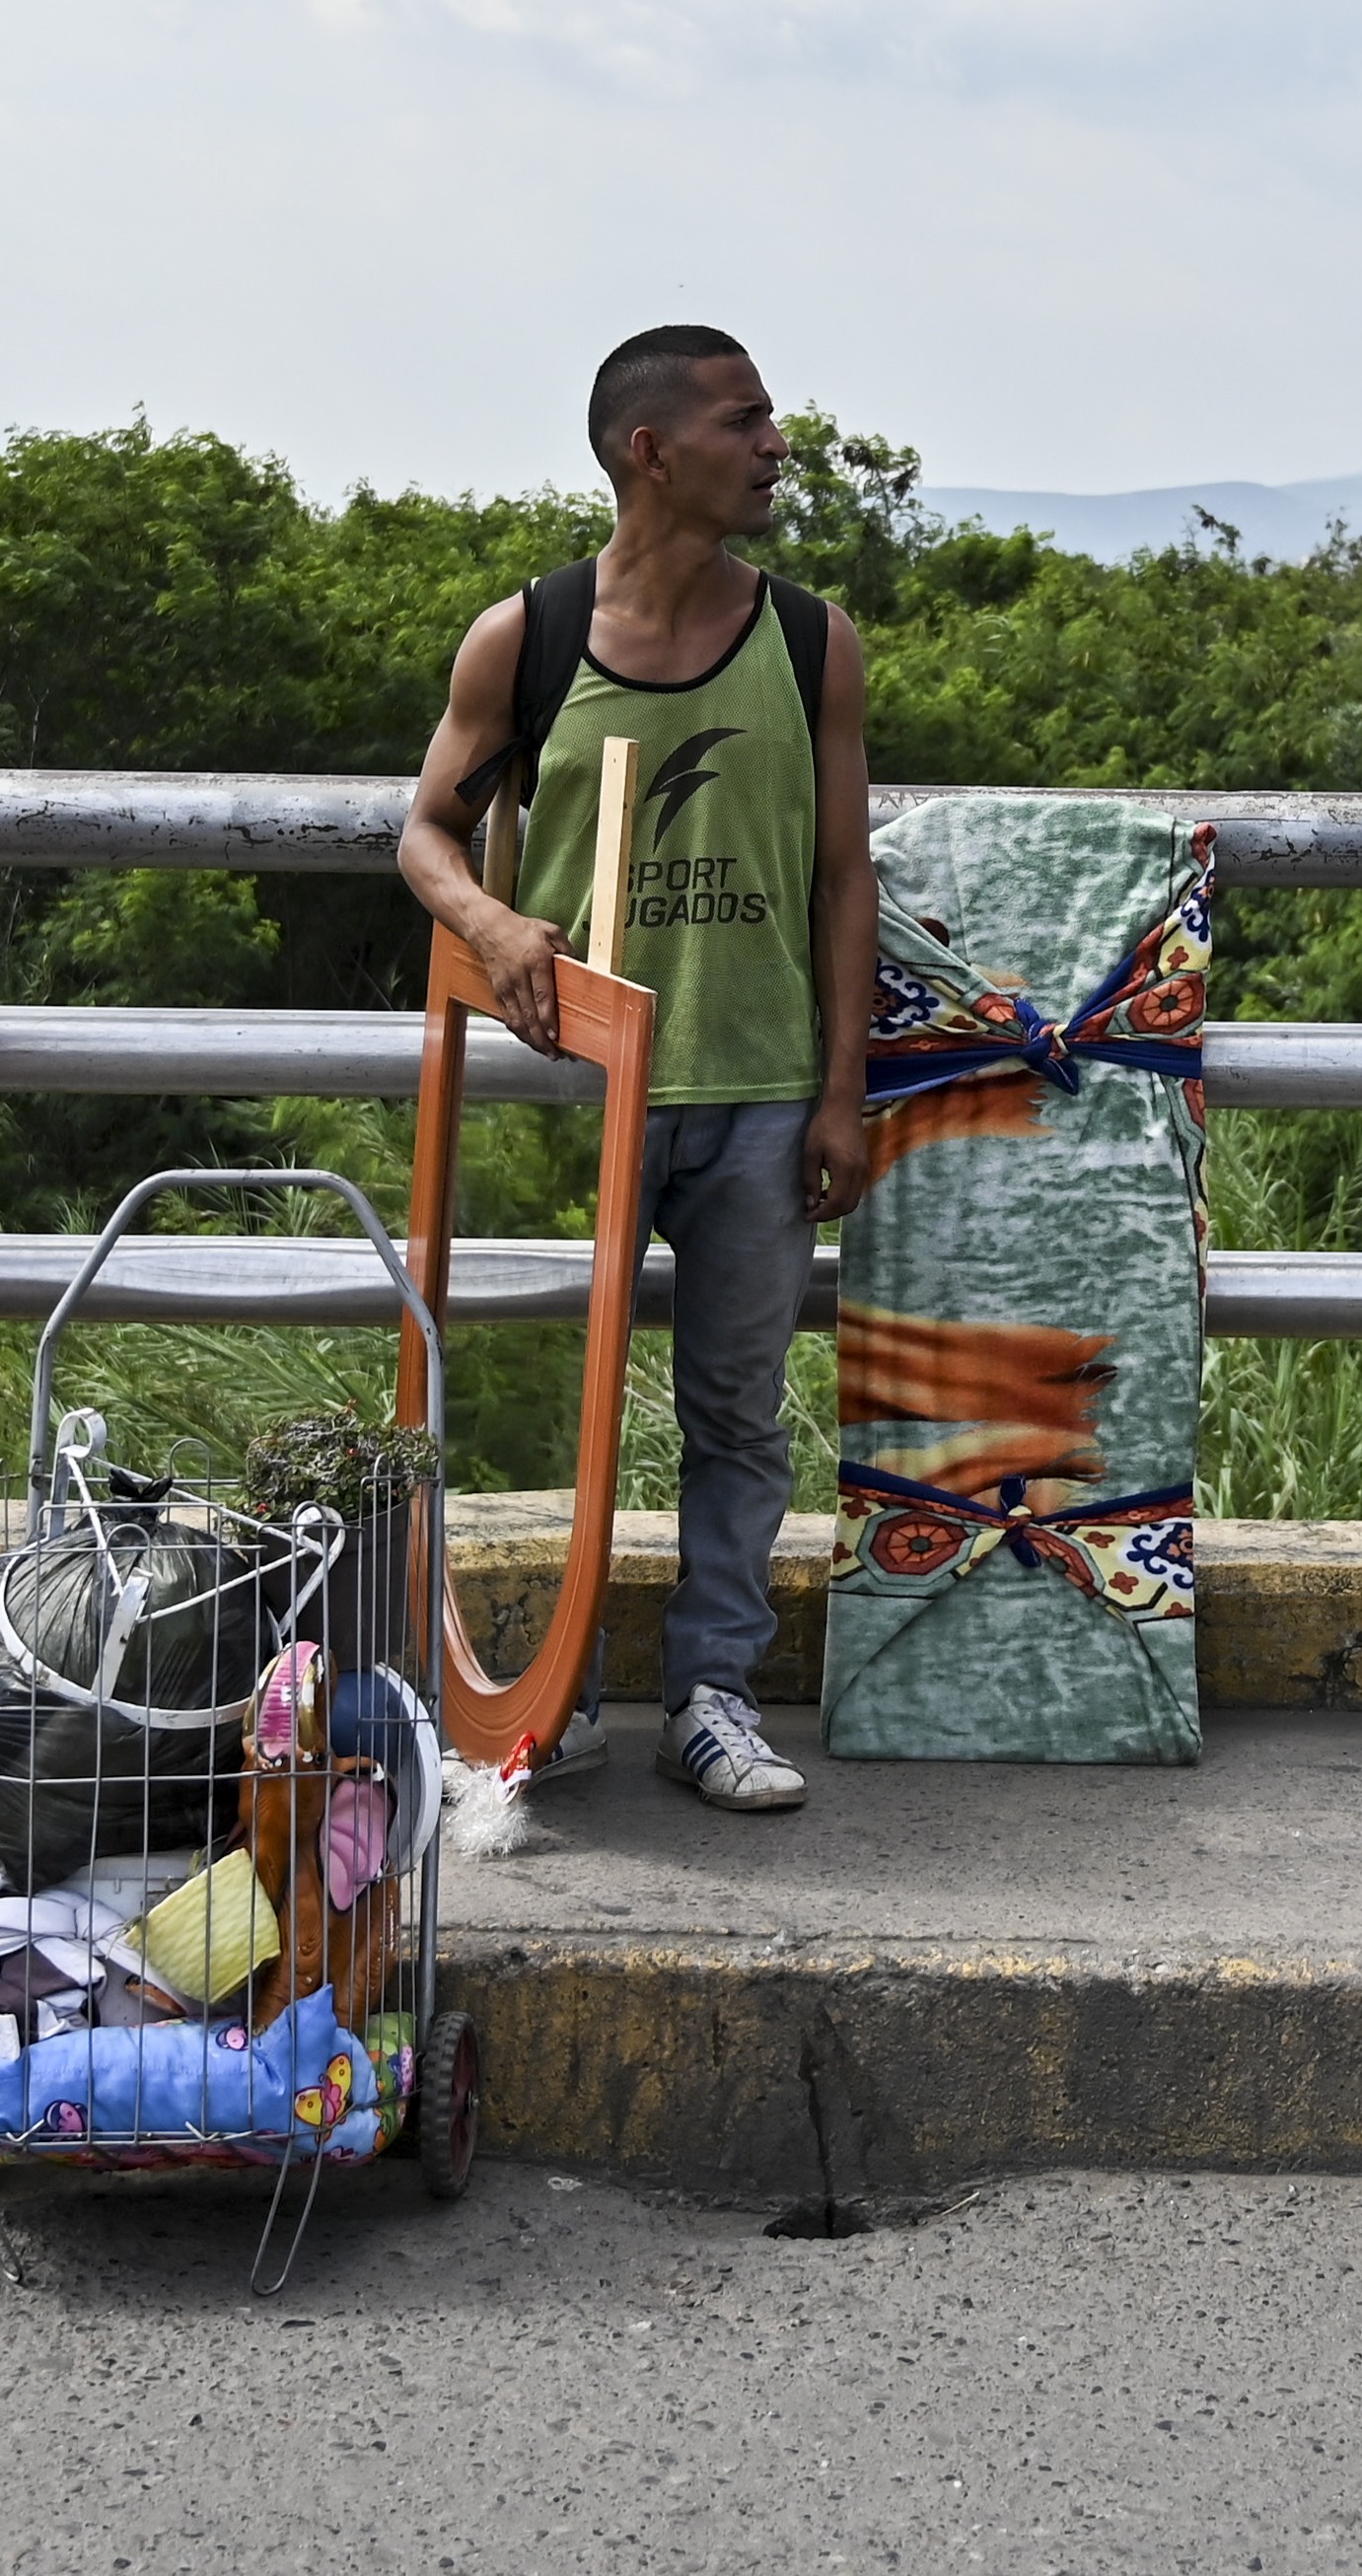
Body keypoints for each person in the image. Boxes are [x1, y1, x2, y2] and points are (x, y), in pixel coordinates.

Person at [396, 324, 873, 1816]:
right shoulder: (526, 636)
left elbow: (843, 875)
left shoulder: (808, 639)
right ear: (645, 448)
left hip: (754, 1086)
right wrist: (489, 913)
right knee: (557, 1402)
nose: (778, 444)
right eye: (747, 421)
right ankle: (550, 1691)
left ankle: (711, 1693)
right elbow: (422, 829)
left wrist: (841, 1088)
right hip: (572, 1094)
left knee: (736, 1404)